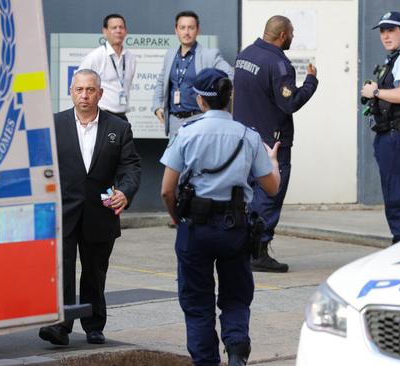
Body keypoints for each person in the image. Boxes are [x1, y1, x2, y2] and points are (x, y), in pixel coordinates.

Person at [160, 68, 281, 366]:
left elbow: (166, 190)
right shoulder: (248, 135)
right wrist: (274, 162)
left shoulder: (186, 133)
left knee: (198, 303)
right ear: (231, 98)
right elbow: (271, 186)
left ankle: (206, 361)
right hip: (235, 227)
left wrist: (177, 218)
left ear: (200, 101)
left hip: (195, 228)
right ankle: (237, 349)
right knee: (236, 296)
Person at [39, 69, 141, 346]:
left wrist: (125, 192)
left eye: (90, 90)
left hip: (101, 211)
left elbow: (131, 167)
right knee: (62, 270)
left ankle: (94, 325)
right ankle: (59, 325)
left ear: (100, 93)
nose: (84, 95)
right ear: (71, 92)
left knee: (95, 272)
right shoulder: (54, 124)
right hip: (63, 212)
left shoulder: (117, 128)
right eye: (79, 90)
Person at [232, 15, 318, 272]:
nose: (292, 37)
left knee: (246, 194)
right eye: (291, 33)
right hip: (272, 144)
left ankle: (241, 247)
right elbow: (289, 103)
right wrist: (311, 82)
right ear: (282, 35)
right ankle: (258, 251)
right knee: (269, 194)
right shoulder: (279, 64)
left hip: (245, 138)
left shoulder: (245, 55)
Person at [361, 11, 400, 244]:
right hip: (389, 134)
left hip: (398, 135)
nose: (386, 36)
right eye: (382, 31)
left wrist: (376, 92)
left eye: (391, 30)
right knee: (393, 189)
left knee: (397, 191)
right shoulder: (396, 57)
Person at [152, 10, 233, 140]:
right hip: (174, 121)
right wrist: (156, 106)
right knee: (174, 160)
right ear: (176, 30)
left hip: (199, 119)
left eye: (191, 28)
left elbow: (230, 75)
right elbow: (161, 82)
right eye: (182, 28)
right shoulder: (170, 54)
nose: (186, 32)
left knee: (199, 160)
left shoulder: (209, 55)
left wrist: (217, 100)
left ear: (198, 30)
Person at [79, 14, 136, 121]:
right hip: (101, 116)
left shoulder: (131, 58)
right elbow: (79, 83)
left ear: (126, 31)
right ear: (105, 32)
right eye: (114, 28)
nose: (118, 31)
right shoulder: (95, 56)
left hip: (122, 116)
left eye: (121, 27)